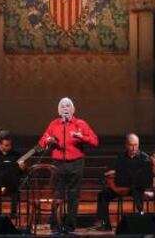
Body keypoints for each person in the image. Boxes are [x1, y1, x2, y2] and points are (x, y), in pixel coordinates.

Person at [38, 97, 99, 233]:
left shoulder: (80, 123)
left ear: (73, 109)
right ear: (59, 111)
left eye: (68, 106)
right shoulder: (54, 124)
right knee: (57, 195)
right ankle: (55, 226)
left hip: (76, 163)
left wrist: (81, 137)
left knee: (73, 196)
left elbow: (95, 141)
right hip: (58, 164)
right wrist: (48, 140)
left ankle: (70, 226)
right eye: (63, 107)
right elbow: (41, 143)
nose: (65, 108)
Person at [95, 133, 155, 231]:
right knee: (103, 194)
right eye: (131, 145)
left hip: (137, 188)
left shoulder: (144, 157)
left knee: (138, 191)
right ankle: (105, 224)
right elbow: (107, 172)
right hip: (121, 187)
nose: (133, 148)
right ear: (126, 145)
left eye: (136, 145)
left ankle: (141, 221)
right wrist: (114, 171)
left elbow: (151, 176)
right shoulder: (120, 157)